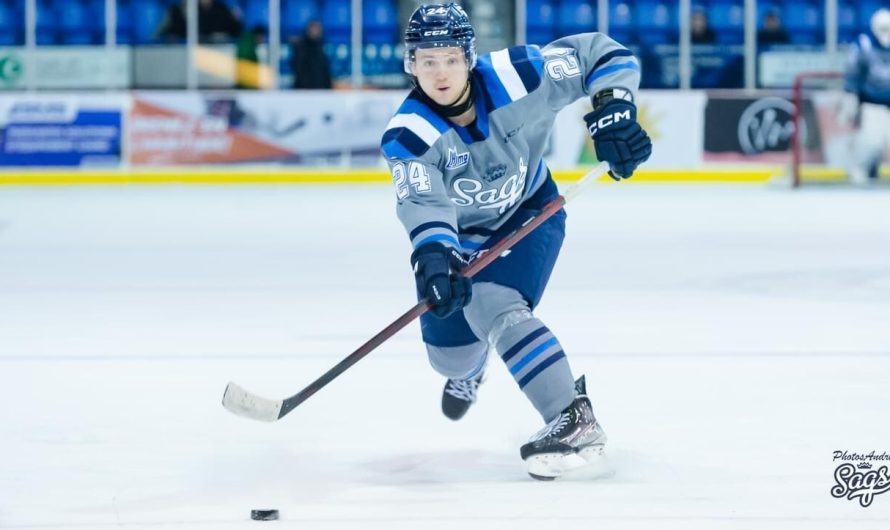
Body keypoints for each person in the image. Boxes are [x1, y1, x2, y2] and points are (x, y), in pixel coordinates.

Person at [379, 3, 651, 480]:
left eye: (449, 58)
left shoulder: (519, 75)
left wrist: (613, 108)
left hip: (529, 214)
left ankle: (571, 417)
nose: (439, 72)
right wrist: (435, 259)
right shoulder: (410, 135)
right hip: (461, 242)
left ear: (468, 57)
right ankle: (471, 368)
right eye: (427, 60)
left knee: (492, 302)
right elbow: (424, 205)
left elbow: (601, 54)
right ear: (411, 64)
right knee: (448, 358)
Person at [843, 8, 890, 185]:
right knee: (872, 142)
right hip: (873, 102)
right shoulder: (863, 44)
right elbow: (853, 72)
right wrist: (851, 95)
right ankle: (859, 172)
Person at [157, 0, 242, 43]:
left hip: (218, 56)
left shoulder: (222, 9)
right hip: (186, 59)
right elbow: (162, 36)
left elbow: (236, 33)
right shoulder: (179, 10)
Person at [291, 20, 333, 89]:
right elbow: (300, 70)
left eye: (318, 29)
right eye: (314, 28)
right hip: (304, 90)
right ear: (308, 30)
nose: (316, 31)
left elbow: (325, 71)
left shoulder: (321, 47)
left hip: (321, 90)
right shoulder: (300, 47)